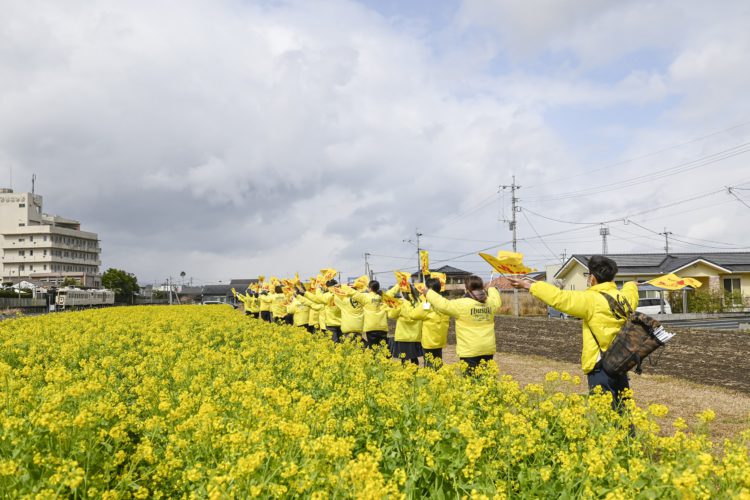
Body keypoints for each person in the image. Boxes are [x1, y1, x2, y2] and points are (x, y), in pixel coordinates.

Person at [508, 255, 639, 409]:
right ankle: (628, 433)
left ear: (593, 277)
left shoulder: (591, 299)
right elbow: (631, 292)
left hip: (600, 364)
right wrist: (631, 284)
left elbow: (560, 298)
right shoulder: (623, 298)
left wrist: (529, 286)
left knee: (605, 412)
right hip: (621, 361)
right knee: (623, 408)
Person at [424, 275, 502, 375]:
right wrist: (492, 289)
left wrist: (429, 293)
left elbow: (443, 304)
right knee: (486, 379)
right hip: (487, 348)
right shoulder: (490, 303)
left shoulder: (461, 304)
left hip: (469, 350)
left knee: (470, 380)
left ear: (467, 288)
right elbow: (497, 301)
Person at [347, 280, 399, 348]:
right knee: (384, 348)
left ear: (370, 288)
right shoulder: (384, 297)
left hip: (370, 327)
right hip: (382, 327)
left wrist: (344, 287)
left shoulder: (365, 297)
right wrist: (400, 284)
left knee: (373, 349)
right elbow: (393, 291)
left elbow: (354, 294)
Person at [388, 287, 428, 365]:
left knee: (404, 358)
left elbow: (392, 315)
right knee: (414, 357)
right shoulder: (418, 301)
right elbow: (425, 311)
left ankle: (405, 375)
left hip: (402, 335)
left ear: (402, 292)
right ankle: (415, 373)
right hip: (415, 335)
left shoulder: (399, 303)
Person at [420, 277, 450, 368]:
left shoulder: (427, 304)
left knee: (429, 364)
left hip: (429, 340)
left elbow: (414, 315)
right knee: (438, 360)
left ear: (430, 289)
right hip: (440, 339)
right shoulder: (445, 302)